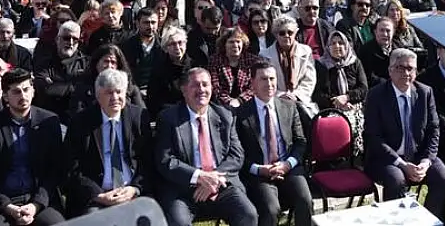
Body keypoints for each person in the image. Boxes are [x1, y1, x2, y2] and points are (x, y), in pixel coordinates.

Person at [153, 67, 257, 226]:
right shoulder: (168, 118)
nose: (201, 90)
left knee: (248, 215)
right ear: (184, 90)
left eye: (205, 85)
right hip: (183, 189)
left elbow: (236, 155)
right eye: (195, 85)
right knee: (178, 222)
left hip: (221, 184)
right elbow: (166, 160)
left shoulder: (225, 115)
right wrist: (199, 176)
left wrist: (213, 179)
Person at [362, 48, 445, 222]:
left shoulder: (425, 92)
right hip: (387, 159)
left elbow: (434, 130)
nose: (406, 73)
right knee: (396, 180)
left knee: (443, 177)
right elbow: (373, 137)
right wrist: (402, 164)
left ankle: (428, 221)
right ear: (390, 70)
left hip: (418, 155)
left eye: (411, 68)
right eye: (400, 68)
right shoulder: (376, 95)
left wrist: (426, 161)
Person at [0, 69, 65, 226]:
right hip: (3, 202)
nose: (22, 96)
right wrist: (8, 207)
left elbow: (55, 170)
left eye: (26, 89)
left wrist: (35, 205)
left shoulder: (49, 121)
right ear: (5, 97)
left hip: (39, 199)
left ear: (33, 91)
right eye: (16, 92)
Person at [63, 69, 152, 216]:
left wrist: (135, 188)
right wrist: (98, 195)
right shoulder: (81, 122)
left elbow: (148, 161)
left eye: (119, 92)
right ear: (98, 96)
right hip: (96, 196)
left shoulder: (138, 117)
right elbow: (71, 167)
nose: (115, 97)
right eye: (109, 93)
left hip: (132, 192)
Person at [234, 62, 313, 226]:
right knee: (271, 210)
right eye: (263, 79)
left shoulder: (289, 107)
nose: (269, 84)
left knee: (305, 201)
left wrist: (287, 164)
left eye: (272, 78)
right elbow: (237, 153)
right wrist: (258, 169)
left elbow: (300, 142)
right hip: (259, 173)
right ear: (253, 82)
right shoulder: (240, 114)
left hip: (288, 168)